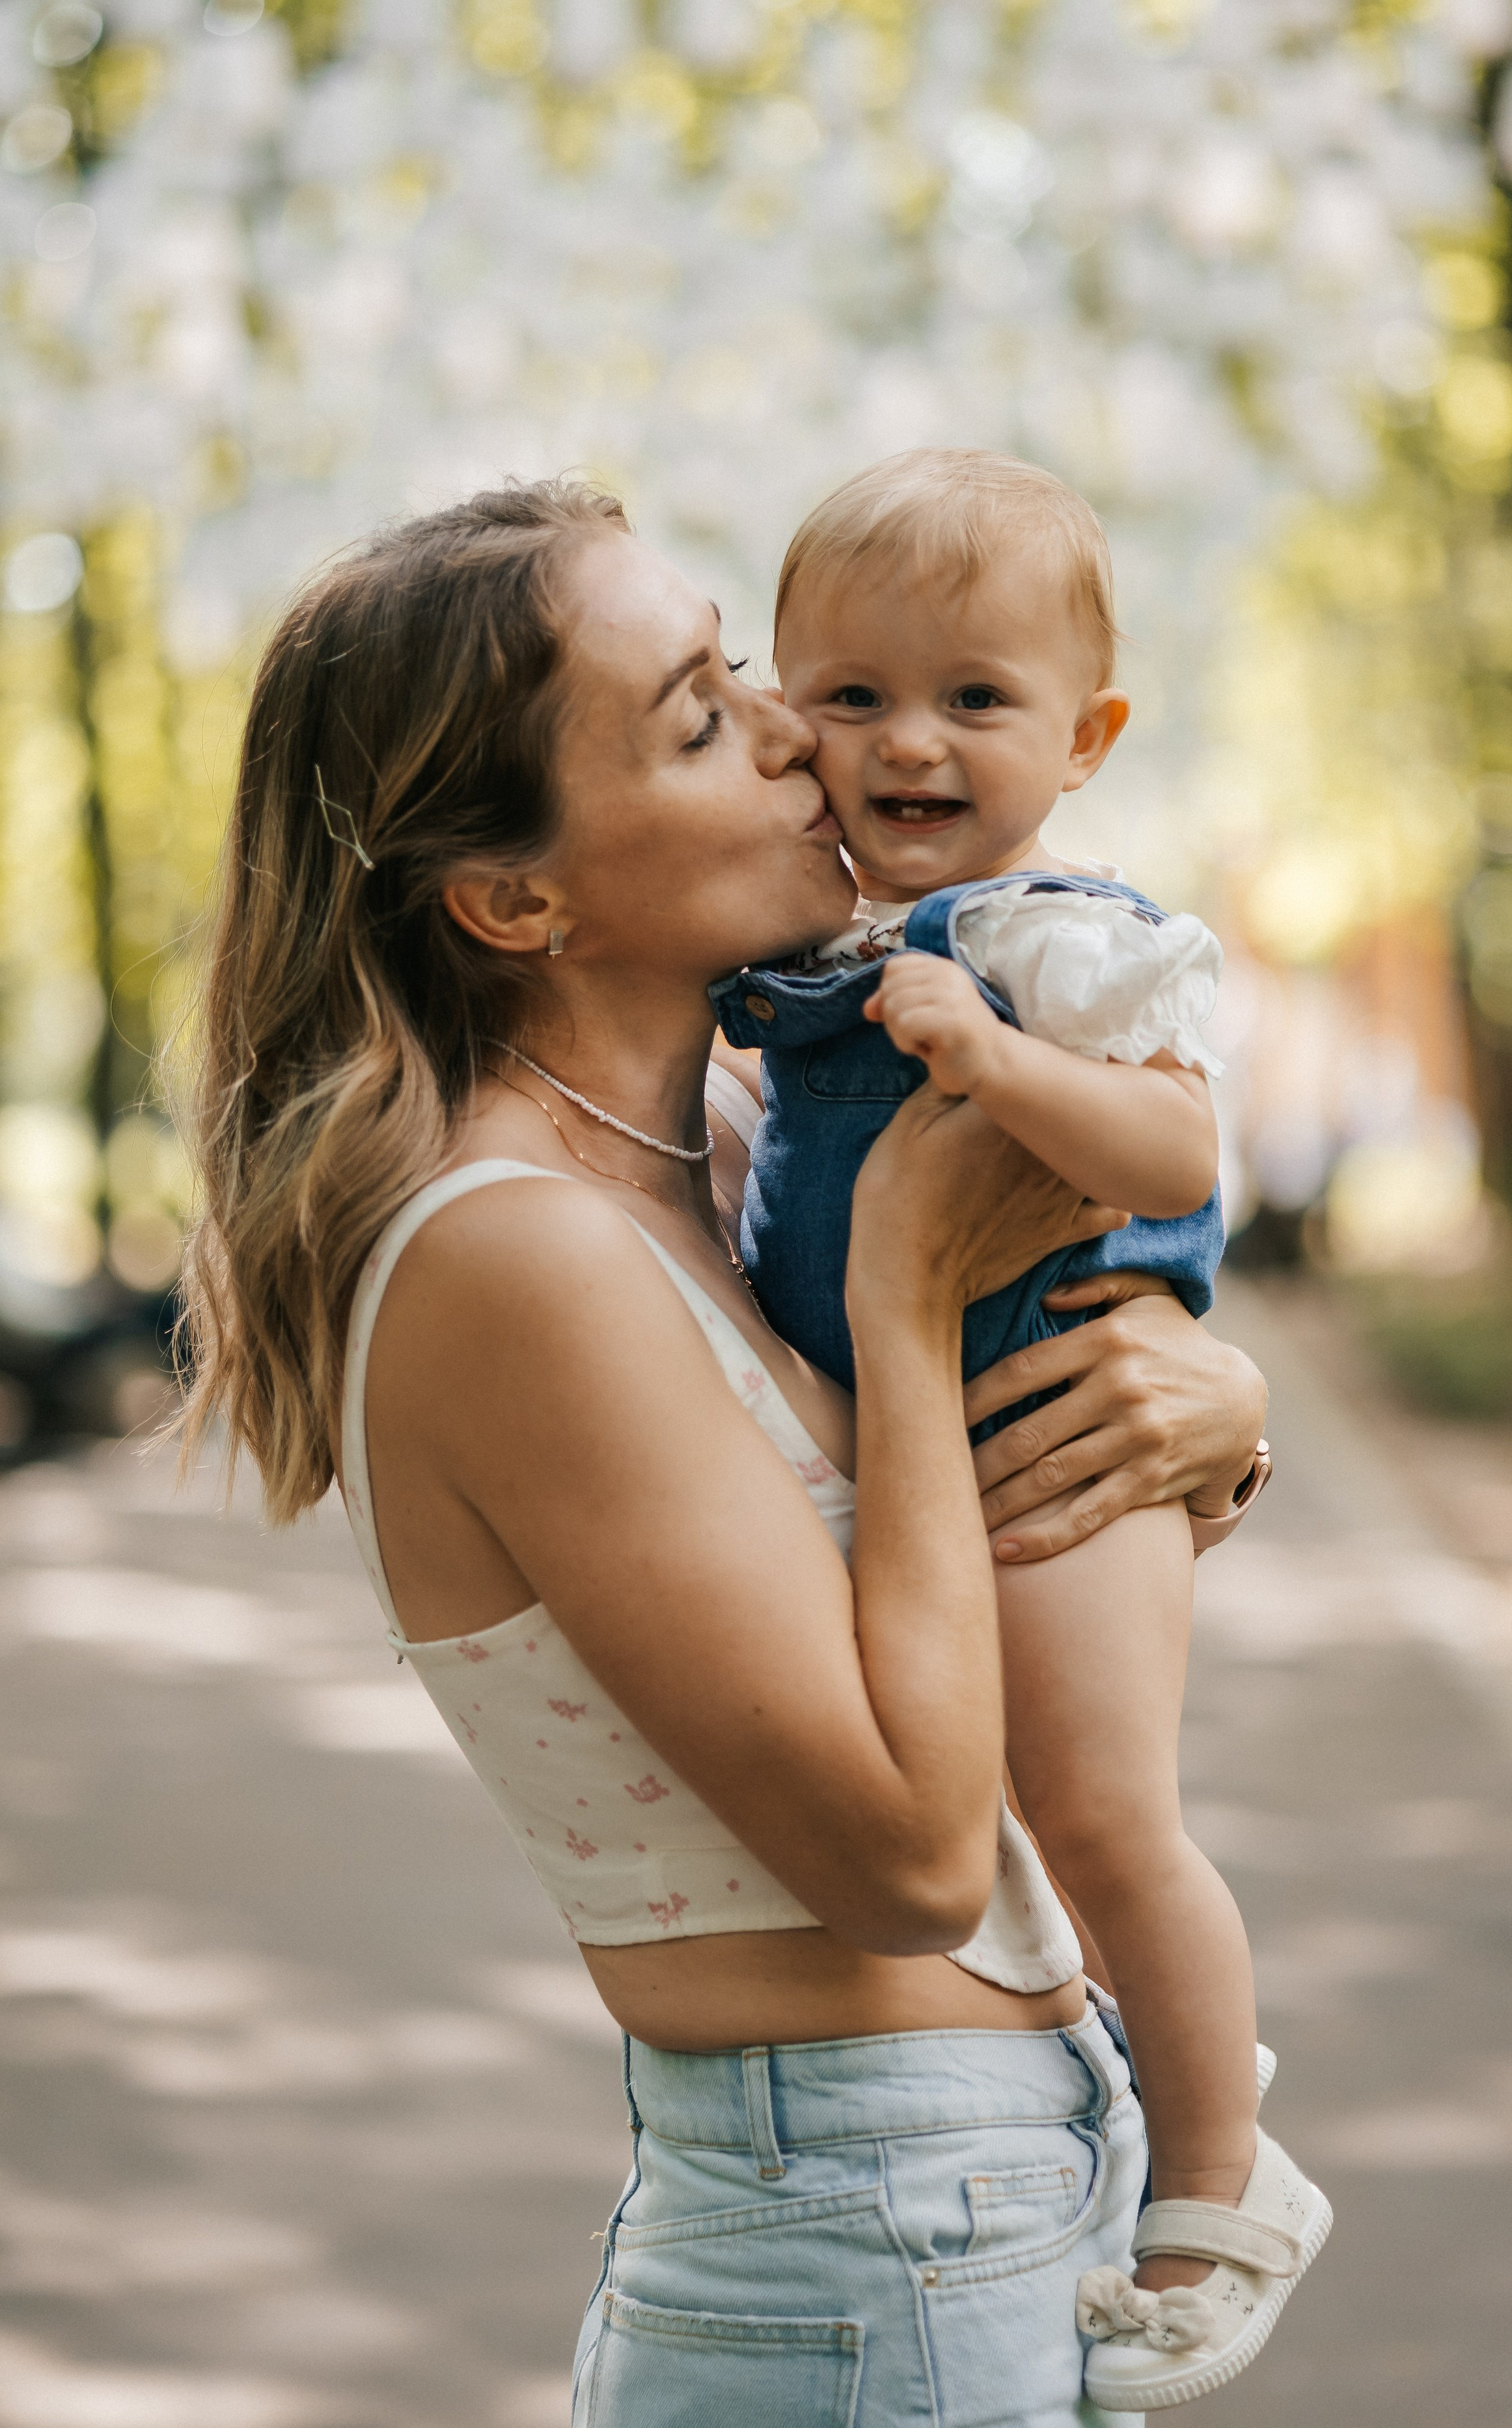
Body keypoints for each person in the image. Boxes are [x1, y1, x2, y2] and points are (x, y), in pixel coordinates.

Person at [176, 477, 1271, 2427]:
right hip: (860, 2228)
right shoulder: (516, 1256)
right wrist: (914, 1303)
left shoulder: (739, 1160)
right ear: (517, 901)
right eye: (698, 715)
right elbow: (914, 1857)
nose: (797, 731)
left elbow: (936, 1562)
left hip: (972, 2186)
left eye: (742, 669)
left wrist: (1197, 1404)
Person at [716, 448, 1328, 2408]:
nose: (910, 743)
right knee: (1023, 1815)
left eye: (975, 698)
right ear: (779, 712)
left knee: (1100, 1812)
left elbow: (1173, 1143)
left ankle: (1222, 2199)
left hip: (1063, 1433)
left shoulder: (1050, 933)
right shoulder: (802, 944)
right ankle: (1172, 2074)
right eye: (853, 694)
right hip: (944, 1456)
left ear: (1086, 735)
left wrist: (993, 1055)